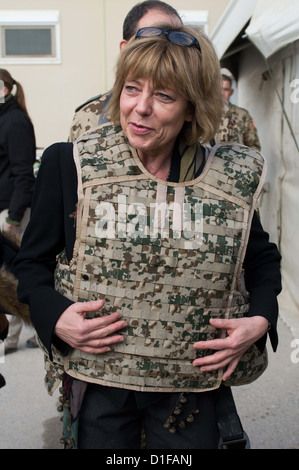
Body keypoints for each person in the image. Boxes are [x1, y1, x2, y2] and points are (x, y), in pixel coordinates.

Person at [15, 24, 281, 449]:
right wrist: (56, 316)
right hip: (101, 387)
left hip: (189, 392)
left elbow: (261, 259)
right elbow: (30, 265)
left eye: (163, 96)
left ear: (191, 109)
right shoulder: (72, 164)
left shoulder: (227, 180)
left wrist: (260, 319)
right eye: (132, 88)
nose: (140, 108)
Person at [69, 0, 237, 145]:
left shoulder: (219, 118)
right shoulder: (91, 118)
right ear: (126, 49)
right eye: (150, 41)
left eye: (163, 95)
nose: (142, 108)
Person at [0, 68, 37, 352]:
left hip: (12, 211)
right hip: (4, 207)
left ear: (5, 89)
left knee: (12, 279)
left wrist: (13, 217)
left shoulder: (15, 121)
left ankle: (9, 340)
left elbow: (24, 173)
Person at [222, 73, 261, 150]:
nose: (222, 93)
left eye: (225, 89)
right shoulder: (205, 114)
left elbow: (254, 146)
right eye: (218, 89)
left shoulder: (242, 115)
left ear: (231, 92)